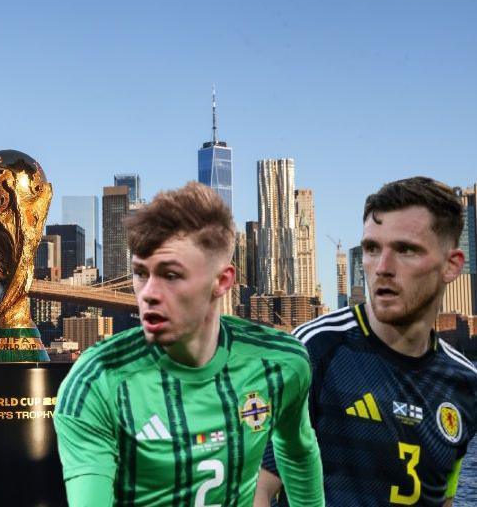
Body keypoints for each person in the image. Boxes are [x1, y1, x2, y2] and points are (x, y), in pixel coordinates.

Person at [53, 182, 324, 506]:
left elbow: (297, 451)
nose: (148, 293)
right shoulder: (96, 383)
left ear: (222, 281)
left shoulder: (282, 362)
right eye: (141, 273)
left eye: (170, 275)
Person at [256, 176, 477, 507]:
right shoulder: (316, 350)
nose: (381, 268)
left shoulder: (465, 383)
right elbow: (257, 489)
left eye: (406, 250)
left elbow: (442, 498)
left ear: (452, 265)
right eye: (372, 249)